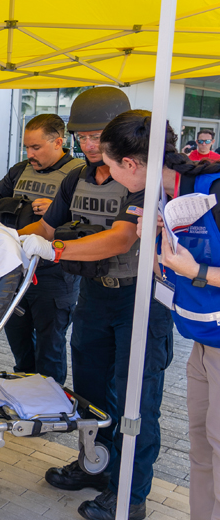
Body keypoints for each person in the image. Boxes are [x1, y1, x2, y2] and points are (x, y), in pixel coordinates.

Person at [19, 87, 173, 520]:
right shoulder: (77, 177)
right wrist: (5, 240)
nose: (88, 146)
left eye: (95, 137)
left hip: (139, 300)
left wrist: (59, 252)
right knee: (88, 395)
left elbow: (123, 237)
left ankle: (130, 493)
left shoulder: (141, 175)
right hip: (93, 296)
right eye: (81, 137)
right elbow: (47, 228)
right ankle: (94, 466)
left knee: (135, 401)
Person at [100, 110, 220, 520]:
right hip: (201, 345)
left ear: (131, 164)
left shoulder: (213, 190)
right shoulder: (167, 201)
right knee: (202, 451)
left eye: (113, 167)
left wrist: (197, 271)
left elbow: (191, 270)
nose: (114, 177)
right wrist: (150, 242)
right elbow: (168, 275)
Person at [0, 114, 84, 384]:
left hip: (54, 272)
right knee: (18, 337)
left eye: (36, 147)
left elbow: (89, 221)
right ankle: (23, 394)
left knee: (50, 345)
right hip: (16, 266)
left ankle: (48, 406)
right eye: (27, 147)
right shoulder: (21, 169)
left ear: (58, 142)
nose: (30, 153)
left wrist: (58, 209)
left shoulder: (78, 173)